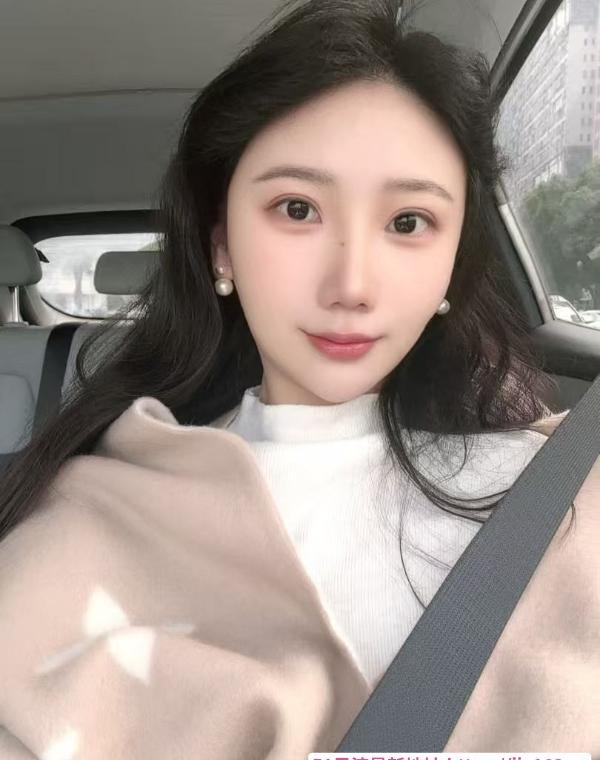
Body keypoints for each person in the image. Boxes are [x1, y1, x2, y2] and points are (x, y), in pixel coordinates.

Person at [0, 0, 599, 756]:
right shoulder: (88, 512)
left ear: (453, 262)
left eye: (408, 222)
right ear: (222, 246)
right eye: (297, 208)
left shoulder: (560, 492)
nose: (351, 285)